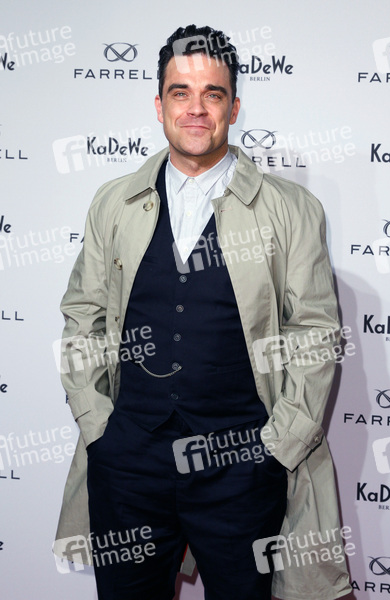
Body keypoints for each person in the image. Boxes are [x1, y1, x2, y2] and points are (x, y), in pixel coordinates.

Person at [54, 24, 351, 600]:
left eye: (212, 94)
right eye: (181, 92)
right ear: (159, 105)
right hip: (128, 463)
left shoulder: (292, 208)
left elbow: (314, 334)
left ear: (233, 108)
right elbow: (82, 317)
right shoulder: (113, 202)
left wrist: (278, 450)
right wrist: (98, 428)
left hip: (243, 468)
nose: (196, 108)